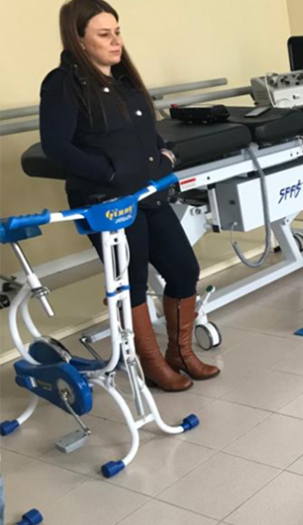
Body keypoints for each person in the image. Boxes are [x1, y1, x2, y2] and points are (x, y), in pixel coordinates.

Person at [39, 0, 218, 392]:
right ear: (79, 39)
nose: (116, 40)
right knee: (131, 283)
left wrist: (164, 153)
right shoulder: (63, 84)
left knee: (184, 269)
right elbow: (56, 146)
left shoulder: (123, 79)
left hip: (147, 195)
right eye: (104, 34)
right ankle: (150, 364)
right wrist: (109, 173)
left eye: (117, 31)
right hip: (108, 204)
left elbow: (146, 132)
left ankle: (181, 353)